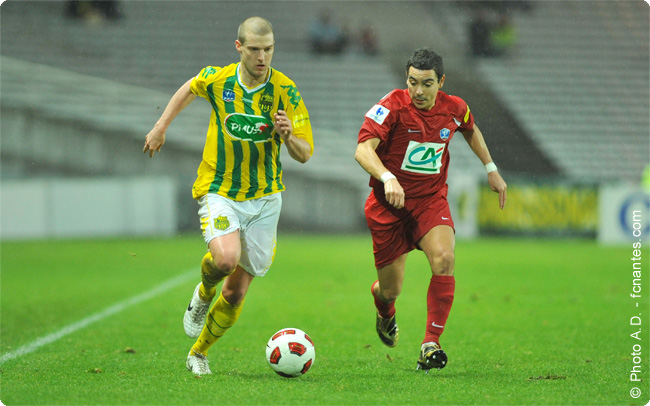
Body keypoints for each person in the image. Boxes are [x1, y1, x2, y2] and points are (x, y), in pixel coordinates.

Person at [142, 16, 313, 376]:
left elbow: (305, 153)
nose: (262, 57)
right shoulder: (219, 79)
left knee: (235, 293)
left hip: (265, 199)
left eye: (268, 49)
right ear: (239, 47)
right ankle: (204, 293)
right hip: (219, 188)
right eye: (255, 49)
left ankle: (198, 353)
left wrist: (287, 136)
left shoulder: (286, 91)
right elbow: (190, 86)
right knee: (225, 260)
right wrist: (160, 127)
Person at [354, 48, 506, 372]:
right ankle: (384, 310)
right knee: (390, 289)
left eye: (426, 83)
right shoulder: (391, 106)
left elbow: (470, 128)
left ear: (441, 82)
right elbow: (363, 150)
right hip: (388, 206)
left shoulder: (455, 108)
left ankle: (430, 345)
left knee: (445, 259)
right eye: (412, 82)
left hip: (429, 201)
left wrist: (490, 167)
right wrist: (387, 177)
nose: (418, 91)